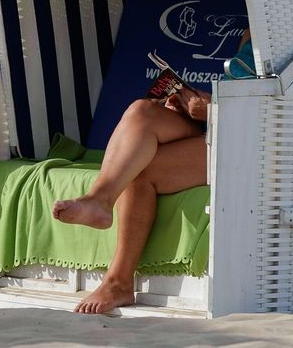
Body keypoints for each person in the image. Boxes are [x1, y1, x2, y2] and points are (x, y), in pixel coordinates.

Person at [52, 78, 213, 314]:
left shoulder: (282, 46)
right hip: (215, 122)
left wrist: (213, 110)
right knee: (141, 110)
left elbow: (280, 113)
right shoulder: (249, 39)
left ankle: (118, 282)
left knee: (136, 166)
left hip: (252, 140)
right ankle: (99, 198)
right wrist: (192, 102)